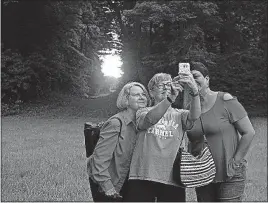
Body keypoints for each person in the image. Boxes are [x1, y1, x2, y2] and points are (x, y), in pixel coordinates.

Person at [125, 72, 201, 202]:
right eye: (161, 86)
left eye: (168, 85)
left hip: (172, 177)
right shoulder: (142, 111)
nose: (166, 88)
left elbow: (195, 116)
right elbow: (150, 119)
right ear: (151, 92)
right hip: (142, 174)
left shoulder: (180, 115)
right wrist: (169, 99)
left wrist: (194, 91)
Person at [186, 62, 255, 202]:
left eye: (196, 76)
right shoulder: (190, 109)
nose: (192, 81)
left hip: (229, 174)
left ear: (207, 79)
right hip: (203, 175)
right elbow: (191, 139)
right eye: (189, 77)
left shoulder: (225, 100)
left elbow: (249, 132)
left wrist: (235, 163)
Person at [86, 82, 150, 202]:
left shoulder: (142, 124)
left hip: (133, 184)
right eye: (136, 95)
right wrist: (107, 186)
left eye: (144, 94)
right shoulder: (116, 123)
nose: (142, 97)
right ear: (126, 99)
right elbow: (99, 159)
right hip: (114, 187)